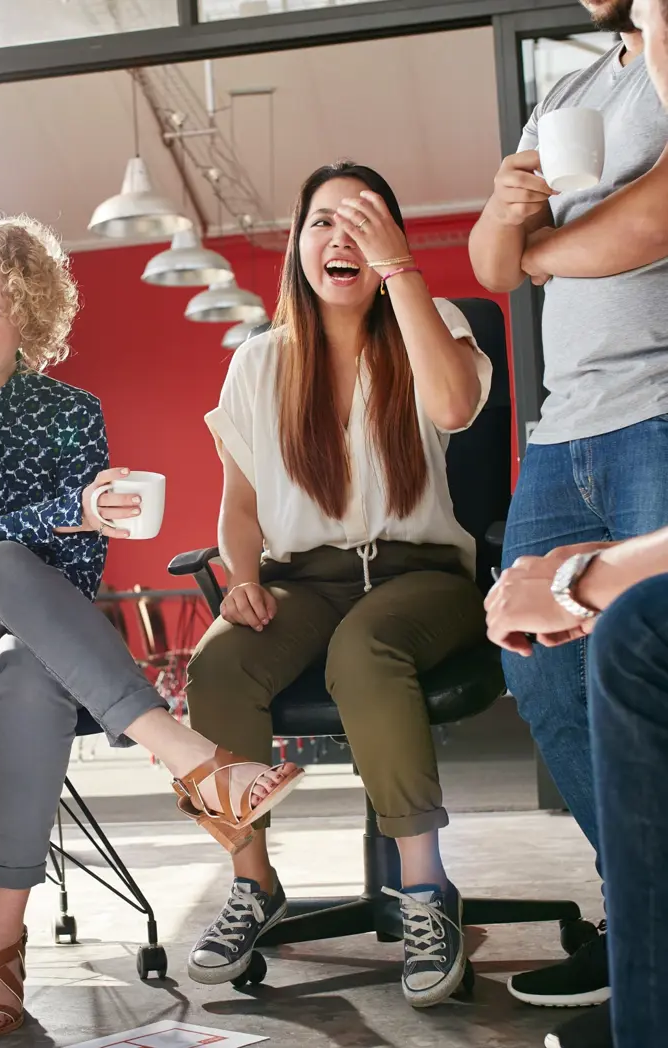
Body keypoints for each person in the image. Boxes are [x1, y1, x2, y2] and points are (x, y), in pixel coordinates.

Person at [0, 214, 303, 1040]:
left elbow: (75, 583)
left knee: (33, 667)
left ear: (28, 321)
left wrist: (46, 533)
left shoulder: (74, 414)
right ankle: (187, 755)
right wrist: (63, 513)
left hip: (25, 649)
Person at [183, 162, 492, 1008]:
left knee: (366, 651)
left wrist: (404, 278)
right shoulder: (256, 365)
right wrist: (242, 580)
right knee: (214, 667)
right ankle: (252, 883)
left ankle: (426, 892)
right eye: (322, 222)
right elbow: (238, 506)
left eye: (362, 222)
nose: (339, 239)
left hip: (419, 576)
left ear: (390, 238)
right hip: (302, 582)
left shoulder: (438, 326)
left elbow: (459, 408)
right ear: (297, 247)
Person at [468, 0, 668, 1021]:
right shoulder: (571, 89)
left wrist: (547, 251)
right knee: (536, 666)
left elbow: (655, 218)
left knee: (644, 655)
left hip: (659, 406)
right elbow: (491, 270)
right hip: (561, 432)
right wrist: (511, 214)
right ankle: (642, 915)